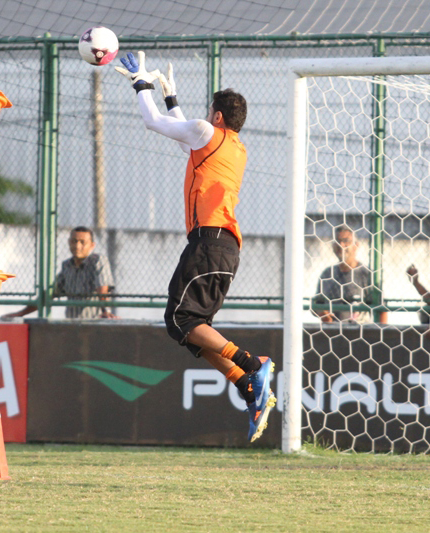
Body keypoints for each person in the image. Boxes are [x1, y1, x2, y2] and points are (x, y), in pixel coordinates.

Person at [115, 51, 275, 442]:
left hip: (210, 240)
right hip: (224, 248)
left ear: (217, 116)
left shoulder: (208, 132)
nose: (204, 116)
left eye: (208, 111)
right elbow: (185, 133)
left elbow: (156, 124)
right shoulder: (234, 145)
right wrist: (173, 99)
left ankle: (253, 365)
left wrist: (141, 85)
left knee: (182, 322)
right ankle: (247, 384)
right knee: (184, 326)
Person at [3, 226, 116, 319]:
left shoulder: (98, 261)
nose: (77, 246)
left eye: (82, 242)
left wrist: (105, 311)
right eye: (74, 241)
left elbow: (103, 288)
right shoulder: (67, 266)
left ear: (92, 245)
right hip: (71, 324)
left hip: (94, 323)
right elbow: (49, 295)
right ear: (69, 242)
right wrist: (20, 314)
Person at [314, 226, 385, 324]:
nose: (341, 245)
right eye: (337, 241)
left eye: (346, 241)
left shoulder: (366, 275)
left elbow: (382, 309)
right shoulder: (327, 274)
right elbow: (316, 305)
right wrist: (323, 314)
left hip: (359, 333)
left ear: (356, 246)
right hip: (331, 333)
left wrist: (382, 334)